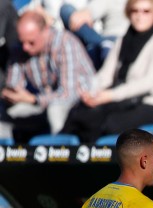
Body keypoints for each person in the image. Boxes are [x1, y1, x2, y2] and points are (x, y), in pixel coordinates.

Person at [60, 0, 153, 143]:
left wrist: (109, 95)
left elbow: (148, 83)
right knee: (80, 114)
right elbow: (106, 75)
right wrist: (90, 92)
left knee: (109, 123)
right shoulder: (124, 39)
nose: (139, 16)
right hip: (126, 99)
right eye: (135, 11)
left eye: (146, 11)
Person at [1, 10, 94, 142]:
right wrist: (10, 94)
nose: (25, 47)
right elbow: (14, 84)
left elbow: (68, 94)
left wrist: (33, 99)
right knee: (4, 112)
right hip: (43, 101)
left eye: (31, 42)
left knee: (55, 109)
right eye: (22, 42)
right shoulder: (21, 48)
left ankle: (59, 154)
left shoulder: (65, 42)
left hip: (80, 102)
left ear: (45, 31)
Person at [61, 0, 153, 67]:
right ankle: (104, 45)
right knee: (66, 10)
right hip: (106, 41)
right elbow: (94, 9)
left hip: (138, 44)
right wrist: (86, 12)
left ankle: (107, 48)